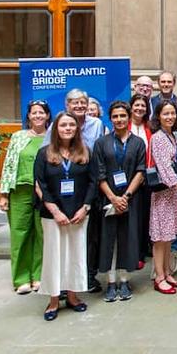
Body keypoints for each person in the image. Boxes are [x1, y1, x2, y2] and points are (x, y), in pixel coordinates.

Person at [35, 112, 96, 321]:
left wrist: (85, 208)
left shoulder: (85, 152)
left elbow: (93, 182)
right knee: (54, 256)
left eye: (71, 125)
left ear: (77, 129)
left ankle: (72, 296)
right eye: (63, 125)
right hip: (53, 215)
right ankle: (53, 300)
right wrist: (55, 211)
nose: (68, 128)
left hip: (78, 214)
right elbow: (40, 184)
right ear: (56, 129)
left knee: (76, 255)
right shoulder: (44, 153)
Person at [43, 89, 105, 293]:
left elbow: (97, 157)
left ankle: (86, 279)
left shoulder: (96, 124)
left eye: (82, 103)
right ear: (67, 105)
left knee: (87, 240)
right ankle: (58, 287)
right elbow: (43, 164)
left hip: (86, 188)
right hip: (59, 193)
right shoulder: (55, 126)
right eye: (74, 103)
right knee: (58, 245)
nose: (79, 106)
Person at [93, 102, 146, 302]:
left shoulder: (138, 143)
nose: (119, 120)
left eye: (123, 115)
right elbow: (99, 174)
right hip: (108, 199)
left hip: (131, 198)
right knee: (109, 240)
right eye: (115, 116)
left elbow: (141, 171)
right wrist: (113, 198)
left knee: (128, 239)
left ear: (129, 116)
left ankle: (124, 281)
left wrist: (126, 197)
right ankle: (110, 282)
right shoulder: (102, 143)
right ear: (110, 118)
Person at [0, 100, 51, 294]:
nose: (38, 116)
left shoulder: (51, 138)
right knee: (20, 233)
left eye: (41, 113)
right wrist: (4, 195)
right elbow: (8, 165)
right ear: (28, 116)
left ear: (47, 116)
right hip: (20, 191)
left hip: (43, 193)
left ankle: (38, 276)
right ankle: (21, 278)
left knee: (41, 234)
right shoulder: (18, 137)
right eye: (34, 113)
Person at [149, 100, 177, 295]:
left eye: (173, 113)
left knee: (169, 236)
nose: (170, 117)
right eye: (165, 113)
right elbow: (164, 165)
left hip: (173, 192)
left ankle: (166, 273)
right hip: (164, 193)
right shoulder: (157, 137)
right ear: (158, 116)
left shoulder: (172, 135)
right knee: (160, 238)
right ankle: (158, 277)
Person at [128, 94, 152, 268]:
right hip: (127, 180)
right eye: (136, 105)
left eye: (143, 106)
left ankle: (141, 253)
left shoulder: (150, 128)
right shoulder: (123, 126)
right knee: (130, 219)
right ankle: (131, 253)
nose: (139, 109)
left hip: (147, 179)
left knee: (144, 217)